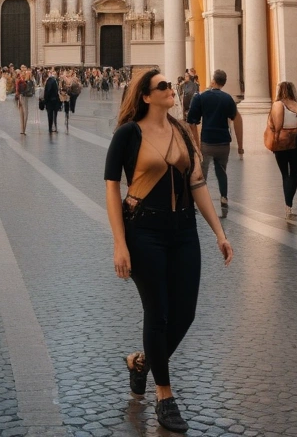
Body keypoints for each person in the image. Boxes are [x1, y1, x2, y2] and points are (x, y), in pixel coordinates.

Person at [104, 69, 233, 433]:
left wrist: (219, 233)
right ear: (146, 96)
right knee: (157, 313)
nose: (170, 90)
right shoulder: (128, 134)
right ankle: (164, 394)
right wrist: (119, 243)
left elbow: (197, 183)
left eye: (170, 86)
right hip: (144, 230)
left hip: (184, 230)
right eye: (163, 86)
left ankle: (141, 363)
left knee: (185, 313)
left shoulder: (179, 130)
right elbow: (112, 188)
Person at [186, 69, 243, 215]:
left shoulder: (201, 97)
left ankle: (200, 200)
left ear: (213, 80)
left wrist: (196, 145)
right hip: (224, 142)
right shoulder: (228, 99)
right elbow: (237, 119)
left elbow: (192, 123)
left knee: (201, 173)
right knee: (221, 170)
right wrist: (240, 146)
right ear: (224, 82)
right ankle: (224, 197)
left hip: (207, 142)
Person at [268, 81, 297, 220]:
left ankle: (288, 206)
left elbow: (277, 126)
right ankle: (289, 204)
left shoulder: (278, 104)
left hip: (282, 145)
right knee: (295, 175)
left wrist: (274, 141)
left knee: (285, 174)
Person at [15, 68, 35, 134]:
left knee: (23, 113)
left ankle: (23, 129)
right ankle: (23, 129)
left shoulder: (25, 81)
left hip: (21, 96)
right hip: (23, 97)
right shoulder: (25, 81)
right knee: (25, 112)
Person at [43, 68, 61, 134]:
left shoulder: (49, 81)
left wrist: (45, 100)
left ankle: (51, 127)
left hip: (50, 101)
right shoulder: (53, 81)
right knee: (54, 114)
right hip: (53, 100)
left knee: (50, 115)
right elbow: (50, 91)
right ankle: (53, 127)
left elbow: (46, 91)